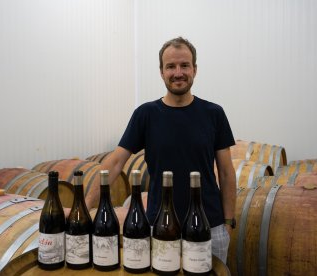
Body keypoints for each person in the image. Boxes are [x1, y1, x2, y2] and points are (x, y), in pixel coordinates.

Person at [85, 36, 236, 263]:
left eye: (184, 65)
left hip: (209, 226)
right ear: (161, 72)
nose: (178, 72)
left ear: (194, 69)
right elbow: (115, 163)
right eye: (171, 66)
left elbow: (226, 172)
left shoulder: (214, 113)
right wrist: (86, 205)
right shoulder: (146, 114)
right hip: (160, 226)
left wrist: (228, 222)